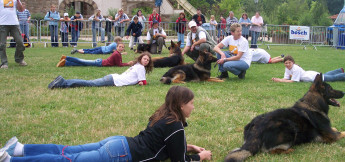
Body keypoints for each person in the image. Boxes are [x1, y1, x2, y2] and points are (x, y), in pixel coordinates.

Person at [0, 86, 212, 162]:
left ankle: (19, 149)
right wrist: (200, 157)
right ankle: (11, 160)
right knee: (69, 159)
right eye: (192, 103)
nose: (193, 107)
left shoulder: (164, 115)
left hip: (118, 143)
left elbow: (161, 145)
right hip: (119, 154)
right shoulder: (175, 126)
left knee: (66, 150)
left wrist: (188, 146)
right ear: (182, 105)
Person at [48, 52, 152, 89]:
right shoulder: (141, 67)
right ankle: (63, 83)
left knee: (89, 83)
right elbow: (143, 82)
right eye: (145, 59)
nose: (146, 61)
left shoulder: (137, 65)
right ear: (140, 59)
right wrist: (142, 84)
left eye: (148, 60)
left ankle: (63, 82)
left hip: (112, 77)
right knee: (89, 83)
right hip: (113, 80)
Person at [0, 0, 27, 69]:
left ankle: (19, 59)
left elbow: (21, 10)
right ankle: (4, 63)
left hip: (14, 23)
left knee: (20, 43)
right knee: (2, 44)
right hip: (2, 23)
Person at [272, 55, 345, 83]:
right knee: (325, 75)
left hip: (313, 77)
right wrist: (278, 79)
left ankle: (342, 74)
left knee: (332, 78)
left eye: (289, 63)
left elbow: (294, 81)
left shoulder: (295, 68)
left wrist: (280, 80)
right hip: (311, 74)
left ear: (293, 62)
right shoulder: (287, 68)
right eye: (286, 63)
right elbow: (286, 78)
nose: (287, 64)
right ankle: (339, 71)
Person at [57, 43, 134, 67]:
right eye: (119, 47)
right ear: (116, 47)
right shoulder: (117, 54)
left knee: (82, 64)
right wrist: (128, 64)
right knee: (83, 61)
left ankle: (66, 62)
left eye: (122, 47)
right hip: (100, 63)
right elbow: (119, 64)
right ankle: (67, 58)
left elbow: (119, 63)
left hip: (100, 62)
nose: (121, 48)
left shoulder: (118, 53)